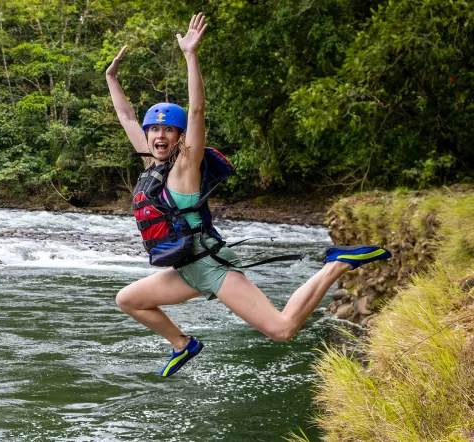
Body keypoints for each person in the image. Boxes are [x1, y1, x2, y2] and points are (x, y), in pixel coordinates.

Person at [105, 13, 391, 377]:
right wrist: (111, 78)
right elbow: (128, 117)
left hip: (210, 265)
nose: (160, 135)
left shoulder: (185, 167)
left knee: (282, 329)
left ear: (179, 137)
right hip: (184, 268)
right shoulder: (151, 165)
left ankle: (336, 264)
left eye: (169, 130)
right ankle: (183, 344)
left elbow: (196, 110)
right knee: (128, 299)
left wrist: (190, 55)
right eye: (154, 129)